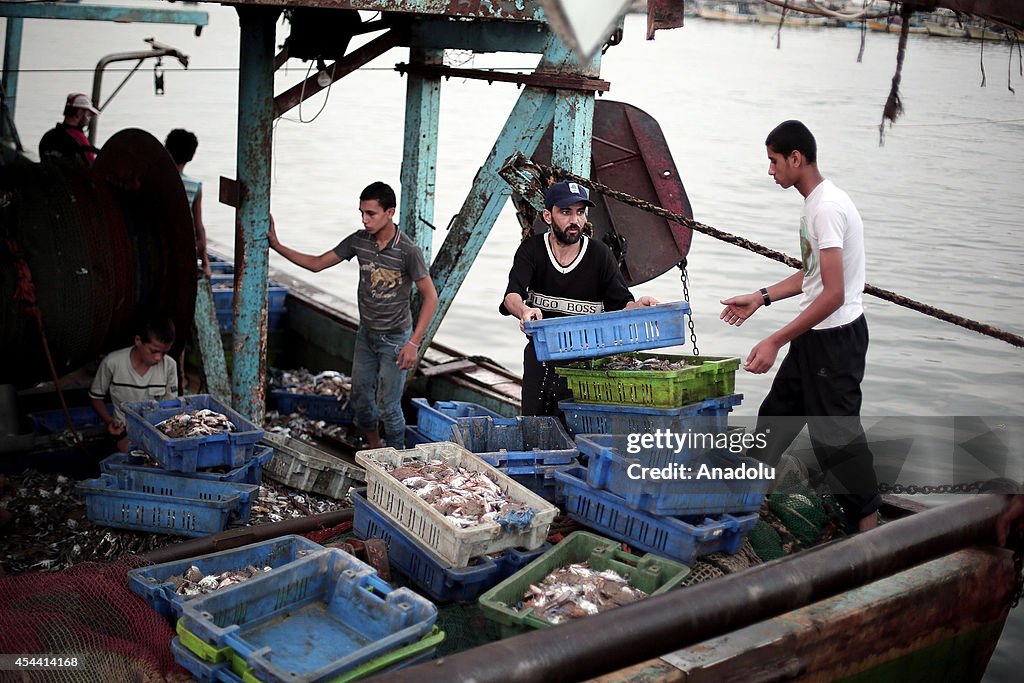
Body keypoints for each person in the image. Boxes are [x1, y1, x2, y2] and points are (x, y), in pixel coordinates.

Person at [720, 120, 881, 533]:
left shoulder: (826, 208)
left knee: (837, 441)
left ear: (796, 158)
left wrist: (776, 339)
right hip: (815, 337)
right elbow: (812, 277)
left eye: (774, 161)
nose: (770, 171)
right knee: (777, 415)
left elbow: (834, 294)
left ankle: (870, 532)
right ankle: (746, 504)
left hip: (836, 339)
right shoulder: (815, 203)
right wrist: (761, 297)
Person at [268, 181, 438, 450]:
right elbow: (317, 263)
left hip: (396, 339)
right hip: (366, 336)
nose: (364, 219)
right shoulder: (359, 241)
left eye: (371, 213)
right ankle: (373, 449)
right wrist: (277, 246)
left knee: (389, 407)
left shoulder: (408, 251)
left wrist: (413, 344)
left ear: (390, 212)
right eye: (361, 213)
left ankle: (399, 459)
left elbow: (431, 298)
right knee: (359, 398)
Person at [500, 180, 657, 418]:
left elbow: (623, 304)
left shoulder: (600, 255)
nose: (575, 221)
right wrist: (523, 310)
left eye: (580, 213)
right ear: (548, 216)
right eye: (565, 212)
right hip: (540, 358)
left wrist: (639, 307)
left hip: (587, 364)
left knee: (579, 431)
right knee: (534, 427)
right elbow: (512, 295)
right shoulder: (531, 250)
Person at [89, 317, 179, 452]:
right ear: (138, 341)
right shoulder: (112, 362)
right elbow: (95, 397)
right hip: (124, 431)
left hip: (156, 431)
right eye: (154, 351)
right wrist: (109, 421)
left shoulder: (170, 365)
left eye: (164, 352)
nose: (158, 358)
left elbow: (169, 406)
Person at [165, 129, 213, 278]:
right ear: (191, 157)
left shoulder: (154, 179)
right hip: (182, 250)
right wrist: (205, 264)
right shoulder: (195, 186)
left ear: (166, 149)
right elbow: (199, 227)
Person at [38, 93, 101, 166]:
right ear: (79, 112)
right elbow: (93, 166)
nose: (88, 119)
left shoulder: (47, 137)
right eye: (88, 115)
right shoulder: (79, 139)